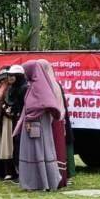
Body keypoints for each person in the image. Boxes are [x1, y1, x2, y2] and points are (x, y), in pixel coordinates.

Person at [15, 61, 64, 192]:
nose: (25, 75)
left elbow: (43, 104)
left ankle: (42, 182)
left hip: (38, 124)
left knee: (39, 152)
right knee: (36, 152)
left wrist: (30, 116)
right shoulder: (34, 85)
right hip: (34, 124)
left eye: (26, 72)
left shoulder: (39, 87)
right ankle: (36, 182)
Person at [38, 60, 71, 188]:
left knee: (54, 149)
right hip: (56, 120)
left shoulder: (50, 85)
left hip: (53, 121)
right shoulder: (52, 83)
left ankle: (56, 179)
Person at [0, 65, 27, 181]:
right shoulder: (10, 88)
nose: (10, 77)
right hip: (12, 120)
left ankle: (23, 173)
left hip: (22, 120)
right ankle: (17, 172)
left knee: (21, 146)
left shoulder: (24, 88)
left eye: (13, 75)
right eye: (9, 75)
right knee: (15, 146)